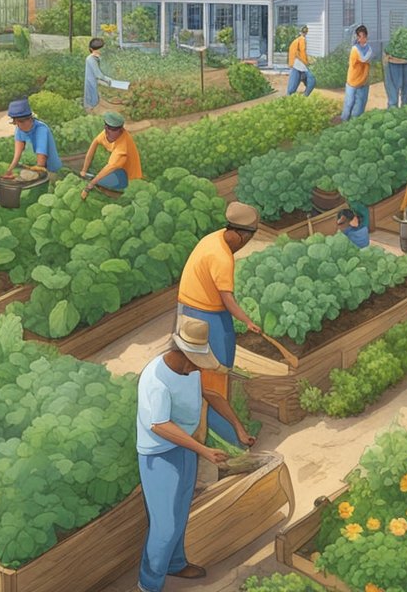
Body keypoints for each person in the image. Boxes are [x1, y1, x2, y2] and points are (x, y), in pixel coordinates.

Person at [136, 318, 255, 590]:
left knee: (179, 515)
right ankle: (148, 584)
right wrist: (203, 450)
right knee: (164, 526)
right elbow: (160, 425)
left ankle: (176, 564)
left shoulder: (191, 371)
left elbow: (212, 394)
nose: (197, 366)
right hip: (159, 456)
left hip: (185, 449)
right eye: (194, 359)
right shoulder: (155, 379)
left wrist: (238, 427)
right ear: (180, 353)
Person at [175, 202, 265, 445]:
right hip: (206, 316)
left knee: (204, 374)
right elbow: (228, 299)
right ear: (240, 234)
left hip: (189, 310)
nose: (244, 244)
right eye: (246, 239)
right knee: (216, 375)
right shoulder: (222, 257)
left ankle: (212, 424)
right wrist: (248, 322)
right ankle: (225, 437)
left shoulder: (212, 238)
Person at [79, 111, 142, 198]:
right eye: (107, 127)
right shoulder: (106, 133)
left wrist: (89, 186)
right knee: (96, 178)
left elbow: (110, 167)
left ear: (121, 130)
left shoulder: (122, 148)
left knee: (98, 180)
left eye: (113, 129)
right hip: (118, 169)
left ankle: (117, 195)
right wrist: (84, 170)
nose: (108, 131)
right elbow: (94, 144)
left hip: (128, 176)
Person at [3, 98, 61, 176]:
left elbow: (41, 158)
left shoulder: (41, 129)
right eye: (16, 123)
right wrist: (9, 170)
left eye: (21, 122)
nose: (19, 126)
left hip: (51, 169)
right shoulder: (19, 129)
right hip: (34, 167)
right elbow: (17, 154)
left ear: (29, 118)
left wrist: (34, 172)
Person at [342, 25, 372, 121]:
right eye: (359, 36)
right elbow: (364, 59)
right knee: (349, 103)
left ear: (366, 37)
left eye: (362, 36)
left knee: (360, 106)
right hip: (352, 81)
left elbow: (367, 56)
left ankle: (354, 124)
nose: (361, 39)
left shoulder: (369, 48)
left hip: (363, 82)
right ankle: (344, 122)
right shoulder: (355, 49)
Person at [84, 37, 117, 112]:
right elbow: (98, 74)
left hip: (95, 80)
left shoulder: (96, 58)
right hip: (91, 81)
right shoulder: (90, 59)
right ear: (92, 49)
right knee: (92, 97)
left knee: (95, 96)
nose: (99, 51)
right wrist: (108, 79)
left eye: (100, 49)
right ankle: (90, 110)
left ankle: (93, 108)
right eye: (97, 49)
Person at [286, 25, 315, 96]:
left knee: (294, 81)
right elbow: (302, 52)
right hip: (299, 63)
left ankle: (290, 95)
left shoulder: (297, 40)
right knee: (312, 80)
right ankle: (305, 95)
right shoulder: (302, 40)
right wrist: (306, 62)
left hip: (295, 63)